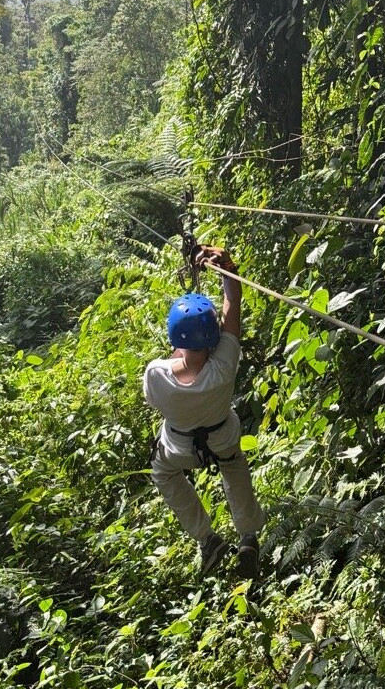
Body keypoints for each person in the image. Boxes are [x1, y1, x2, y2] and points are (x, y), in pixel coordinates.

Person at [144, 245, 265, 578]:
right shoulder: (223, 364)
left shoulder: (156, 372)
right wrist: (225, 263)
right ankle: (248, 536)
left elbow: (167, 376)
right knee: (233, 466)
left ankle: (207, 539)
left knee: (163, 473)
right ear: (212, 337)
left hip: (180, 450)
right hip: (222, 439)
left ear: (174, 336)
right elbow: (232, 304)